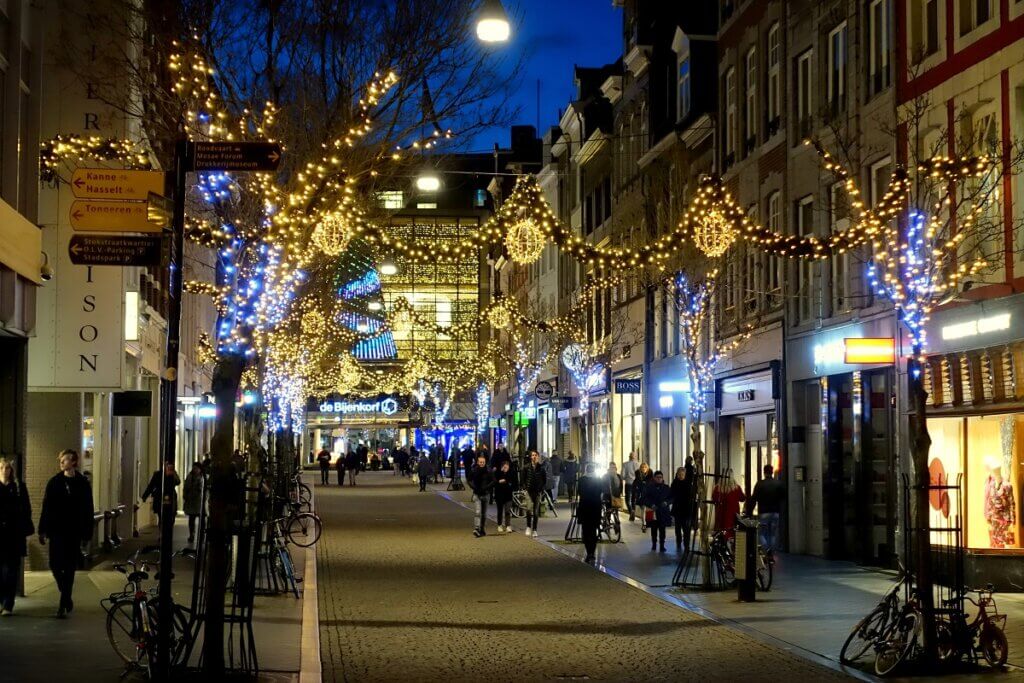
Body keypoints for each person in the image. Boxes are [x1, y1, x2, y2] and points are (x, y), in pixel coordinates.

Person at [38, 449, 94, 618]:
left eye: (66, 460)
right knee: (55, 565)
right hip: (56, 531)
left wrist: (87, 533)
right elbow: (46, 506)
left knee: (69, 568)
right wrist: (42, 530)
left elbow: (88, 508)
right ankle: (66, 595)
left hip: (73, 532)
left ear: (74, 462)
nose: (62, 462)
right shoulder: (54, 482)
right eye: (61, 460)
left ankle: (63, 604)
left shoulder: (82, 483)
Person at [0, 458, 33, 615]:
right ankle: (2, 600)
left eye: (7, 468)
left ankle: (8, 604)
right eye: (1, 468)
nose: (4, 471)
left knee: (11, 571)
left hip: (14, 535)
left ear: (11, 470)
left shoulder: (19, 487)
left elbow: (26, 510)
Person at [747, 464, 785, 552]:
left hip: (763, 512)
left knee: (761, 533)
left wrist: (750, 512)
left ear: (764, 472)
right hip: (775, 512)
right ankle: (771, 551)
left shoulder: (760, 484)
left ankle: (765, 549)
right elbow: (783, 497)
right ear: (772, 472)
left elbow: (754, 498)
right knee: (773, 534)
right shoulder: (778, 484)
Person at [577, 462, 606, 563]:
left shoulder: (581, 480)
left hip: (584, 507)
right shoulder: (598, 480)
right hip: (595, 507)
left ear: (586, 470)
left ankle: (589, 551)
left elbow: (579, 492)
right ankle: (592, 553)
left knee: (585, 530)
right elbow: (601, 492)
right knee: (593, 530)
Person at [640, 470, 672, 552]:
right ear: (654, 478)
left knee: (662, 529)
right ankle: (654, 544)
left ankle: (662, 545)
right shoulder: (649, 487)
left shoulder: (666, 488)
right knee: (653, 529)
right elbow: (644, 498)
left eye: (660, 477)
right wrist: (651, 505)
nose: (659, 479)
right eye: (657, 477)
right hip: (653, 511)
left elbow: (671, 498)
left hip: (663, 511)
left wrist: (666, 502)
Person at [670, 461, 696, 552]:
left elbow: (692, 498)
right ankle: (679, 541)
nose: (681, 475)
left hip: (686, 510)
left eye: (682, 474)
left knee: (686, 529)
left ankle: (686, 545)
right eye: (679, 474)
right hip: (677, 509)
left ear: (685, 474)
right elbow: (672, 495)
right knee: (678, 528)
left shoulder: (689, 485)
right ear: (677, 474)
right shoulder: (674, 483)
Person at [713, 472, 746, 540]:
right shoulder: (736, 488)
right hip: (733, 515)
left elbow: (714, 498)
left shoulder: (718, 488)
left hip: (721, 515)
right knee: (732, 533)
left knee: (722, 533)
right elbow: (742, 498)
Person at [521, 450, 547, 537]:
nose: (534, 457)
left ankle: (535, 529)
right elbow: (523, 479)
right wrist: (524, 489)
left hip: (537, 492)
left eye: (536, 455)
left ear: (538, 457)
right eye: (533, 455)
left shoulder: (541, 468)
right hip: (528, 491)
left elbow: (544, 480)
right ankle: (528, 527)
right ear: (531, 457)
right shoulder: (526, 467)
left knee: (536, 512)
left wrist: (541, 489)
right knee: (529, 509)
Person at [468, 455, 495, 537]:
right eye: (480, 462)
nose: (482, 463)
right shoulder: (474, 470)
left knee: (484, 514)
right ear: (477, 462)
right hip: (477, 494)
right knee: (478, 512)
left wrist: (486, 488)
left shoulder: (488, 470)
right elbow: (469, 480)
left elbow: (494, 481)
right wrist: (474, 487)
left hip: (486, 494)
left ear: (485, 462)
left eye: (483, 462)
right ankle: (476, 528)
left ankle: (482, 529)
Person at [182, 462, 204, 545]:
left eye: (196, 468)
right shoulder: (190, 477)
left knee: (201, 520)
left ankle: (201, 536)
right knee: (191, 519)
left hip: (200, 502)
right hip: (191, 501)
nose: (195, 470)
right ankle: (192, 534)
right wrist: (185, 496)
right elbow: (186, 487)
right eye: (194, 468)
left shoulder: (202, 477)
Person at [494, 460, 517, 533]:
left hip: (508, 495)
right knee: (500, 511)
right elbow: (495, 482)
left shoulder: (511, 473)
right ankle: (499, 525)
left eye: (507, 467)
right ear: (502, 467)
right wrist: (501, 475)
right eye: (504, 467)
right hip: (499, 495)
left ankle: (508, 525)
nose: (505, 469)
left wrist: (505, 480)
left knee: (507, 511)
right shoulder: (498, 473)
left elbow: (513, 482)